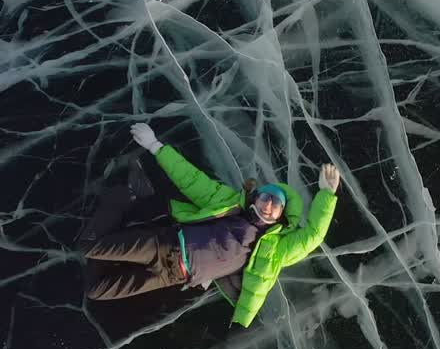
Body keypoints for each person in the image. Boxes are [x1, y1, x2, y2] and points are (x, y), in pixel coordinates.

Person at [76, 122, 340, 328]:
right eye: (266, 196)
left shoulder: (276, 249)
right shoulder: (228, 202)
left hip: (174, 276)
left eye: (276, 203)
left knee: (97, 291)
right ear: (257, 197)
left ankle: (118, 244)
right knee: (88, 246)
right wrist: (155, 145)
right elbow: (191, 179)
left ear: (281, 213)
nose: (269, 204)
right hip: (167, 245)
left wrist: (327, 196)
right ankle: (127, 196)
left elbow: (313, 236)